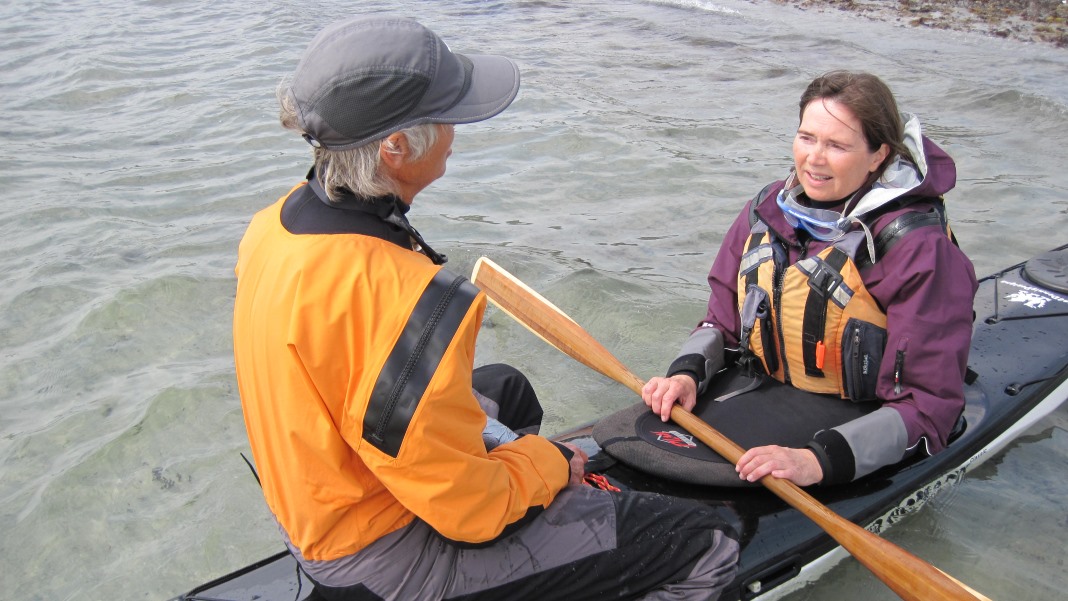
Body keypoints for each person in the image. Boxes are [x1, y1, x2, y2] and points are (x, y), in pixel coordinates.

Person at [233, 15, 739, 601]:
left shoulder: (274, 226)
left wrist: (521, 456)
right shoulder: (401, 296)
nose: (455, 132)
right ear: (396, 148)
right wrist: (548, 465)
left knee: (508, 389)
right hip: (379, 554)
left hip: (321, 497)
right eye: (447, 118)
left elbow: (352, 379)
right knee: (708, 542)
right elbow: (468, 512)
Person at [642, 71, 978, 487]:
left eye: (837, 145)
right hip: (767, 392)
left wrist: (815, 461)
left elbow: (928, 408)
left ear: (878, 156)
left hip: (860, 421)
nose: (814, 159)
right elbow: (721, 322)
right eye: (807, 137)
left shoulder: (917, 249)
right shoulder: (765, 210)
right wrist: (686, 374)